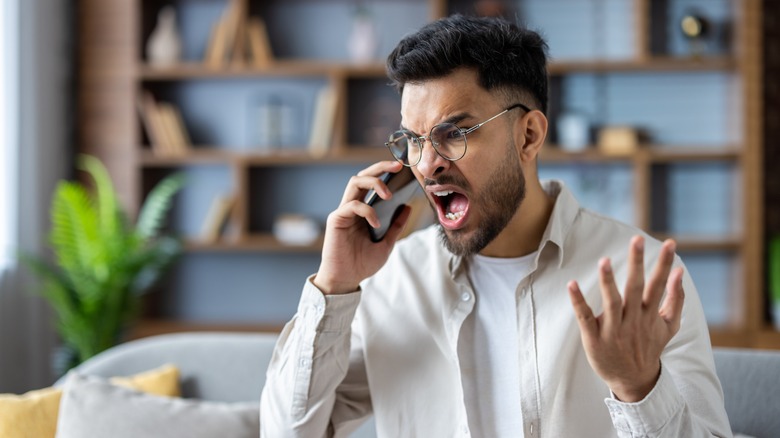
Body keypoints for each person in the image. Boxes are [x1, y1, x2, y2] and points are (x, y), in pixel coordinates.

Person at [260, 14, 732, 437]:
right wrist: (334, 287)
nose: (426, 166)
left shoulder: (645, 278)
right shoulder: (388, 281)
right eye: (413, 141)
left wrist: (638, 388)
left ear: (529, 135)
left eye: (454, 134)